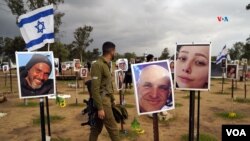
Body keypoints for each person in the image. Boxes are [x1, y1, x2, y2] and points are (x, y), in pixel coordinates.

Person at [90, 41, 119, 141]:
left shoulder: (106, 65)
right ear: (111, 51)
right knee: (113, 129)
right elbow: (95, 88)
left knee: (96, 128)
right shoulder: (97, 65)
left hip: (107, 100)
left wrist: (112, 98)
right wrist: (100, 108)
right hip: (103, 102)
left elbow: (107, 85)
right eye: (115, 51)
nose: (115, 53)